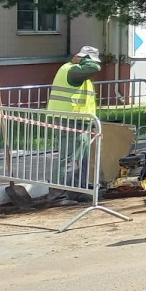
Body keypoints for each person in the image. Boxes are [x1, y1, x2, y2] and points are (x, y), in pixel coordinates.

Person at [47, 46, 102, 198]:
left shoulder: (76, 73)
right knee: (70, 159)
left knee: (81, 159)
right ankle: (57, 194)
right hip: (69, 120)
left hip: (79, 121)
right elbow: (94, 66)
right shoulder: (72, 71)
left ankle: (78, 190)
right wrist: (83, 58)